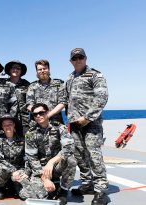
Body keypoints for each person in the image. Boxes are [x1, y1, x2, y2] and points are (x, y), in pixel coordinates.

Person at [66, 48, 109, 205]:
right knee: (79, 156)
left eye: (80, 57)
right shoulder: (70, 77)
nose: (78, 60)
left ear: (85, 58)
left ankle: (101, 190)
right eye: (75, 58)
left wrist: (87, 117)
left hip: (91, 124)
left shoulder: (95, 75)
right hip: (75, 124)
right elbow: (66, 99)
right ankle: (87, 184)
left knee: (94, 155)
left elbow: (102, 97)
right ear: (71, 61)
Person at [21, 103, 76, 205]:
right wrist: (44, 178)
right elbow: (32, 158)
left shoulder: (60, 128)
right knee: (37, 194)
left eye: (41, 113)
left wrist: (52, 161)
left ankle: (63, 191)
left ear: (47, 112)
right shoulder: (30, 133)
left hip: (56, 165)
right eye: (35, 114)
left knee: (71, 160)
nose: (38, 116)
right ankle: (53, 183)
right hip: (41, 169)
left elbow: (69, 147)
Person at [0, 114, 26, 199]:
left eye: (10, 124)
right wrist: (13, 171)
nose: (7, 127)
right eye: (5, 125)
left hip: (19, 170)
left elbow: (27, 158)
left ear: (14, 125)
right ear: (2, 127)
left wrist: (25, 172)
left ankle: (14, 186)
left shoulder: (22, 140)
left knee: (24, 196)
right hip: (5, 170)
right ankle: (2, 188)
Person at [26, 59, 67, 124]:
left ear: (48, 69)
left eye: (44, 68)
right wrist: (39, 115)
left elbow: (62, 103)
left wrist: (48, 115)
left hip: (55, 123)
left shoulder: (58, 84)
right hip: (37, 123)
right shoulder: (32, 86)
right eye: (39, 69)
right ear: (36, 71)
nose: (42, 71)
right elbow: (29, 105)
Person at [4, 61, 31, 134]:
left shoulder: (27, 84)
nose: (15, 70)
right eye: (13, 68)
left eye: (18, 68)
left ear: (21, 71)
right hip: (8, 122)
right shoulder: (2, 84)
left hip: (25, 122)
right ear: (9, 70)